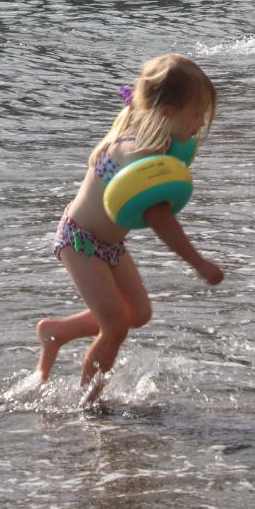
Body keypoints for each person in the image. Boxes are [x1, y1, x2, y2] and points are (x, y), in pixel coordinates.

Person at [36, 54, 224, 400]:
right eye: (197, 113)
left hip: (109, 245)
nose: (201, 123)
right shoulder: (136, 152)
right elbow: (159, 218)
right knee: (115, 328)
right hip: (80, 242)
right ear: (166, 112)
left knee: (138, 313)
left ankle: (57, 332)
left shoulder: (158, 138)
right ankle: (88, 406)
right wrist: (199, 263)